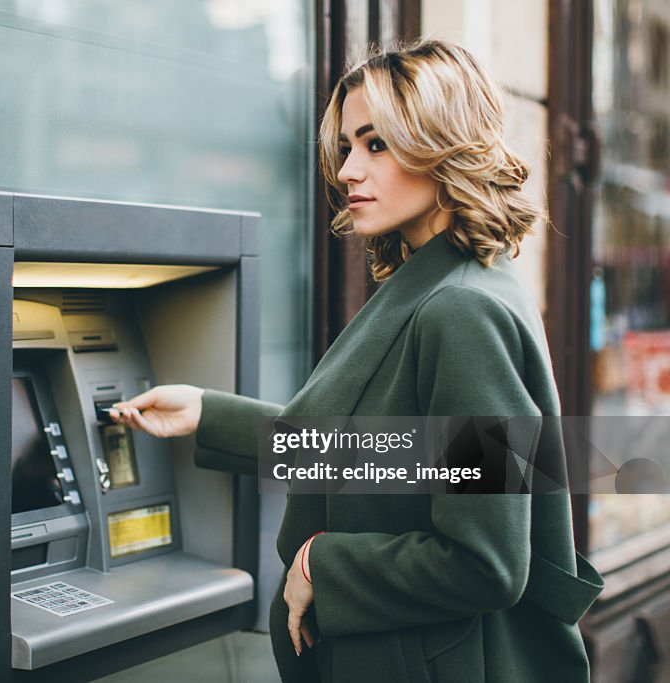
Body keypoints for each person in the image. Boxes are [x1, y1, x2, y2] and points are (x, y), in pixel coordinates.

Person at [108, 40, 603, 682]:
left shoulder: (459, 311)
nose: (347, 171)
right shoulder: (451, 280)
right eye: (346, 146)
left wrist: (322, 563)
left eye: (376, 144)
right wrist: (207, 415)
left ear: (442, 144)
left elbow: (487, 562)